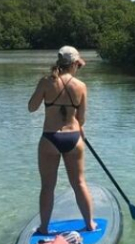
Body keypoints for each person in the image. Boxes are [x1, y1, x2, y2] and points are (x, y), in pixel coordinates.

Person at [28, 46, 97, 234]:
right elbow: (81, 119)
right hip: (73, 138)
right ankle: (90, 224)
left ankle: (43, 228)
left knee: (47, 187)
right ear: (74, 63)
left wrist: (44, 92)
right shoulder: (81, 86)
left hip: (50, 138)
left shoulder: (45, 82)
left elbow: (31, 108)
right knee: (80, 183)